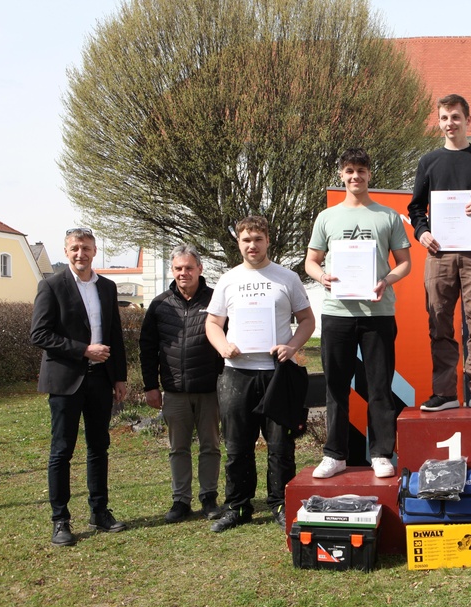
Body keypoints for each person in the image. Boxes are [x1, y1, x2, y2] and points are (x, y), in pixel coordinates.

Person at [305, 148, 412, 480]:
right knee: (335, 386)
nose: (355, 177)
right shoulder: (327, 217)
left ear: (369, 174)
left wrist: (386, 280)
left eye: (361, 171)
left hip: (377, 312)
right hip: (337, 312)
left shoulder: (387, 216)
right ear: (341, 175)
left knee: (379, 386)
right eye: (349, 171)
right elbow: (311, 261)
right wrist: (321, 276)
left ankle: (381, 453)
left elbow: (404, 262)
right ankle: (335, 454)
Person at [205, 216, 316, 532]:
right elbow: (212, 324)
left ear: (268, 240)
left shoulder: (287, 278)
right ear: (238, 243)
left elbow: (307, 320)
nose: (252, 245)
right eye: (246, 240)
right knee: (237, 446)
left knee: (281, 446)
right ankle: (238, 508)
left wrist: (292, 346)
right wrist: (223, 346)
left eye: (258, 239)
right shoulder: (228, 280)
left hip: (277, 374)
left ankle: (282, 504)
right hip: (236, 374)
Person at [407, 93, 471, 413]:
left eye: (455, 117)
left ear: (468, 119)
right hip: (439, 254)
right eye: (444, 118)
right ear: (438, 122)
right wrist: (422, 232)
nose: (450, 123)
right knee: (439, 322)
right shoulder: (429, 162)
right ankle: (445, 392)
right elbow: (415, 207)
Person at [30, 227, 129, 546]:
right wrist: (83, 349)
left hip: (100, 380)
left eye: (86, 248)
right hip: (64, 380)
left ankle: (99, 511)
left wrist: (119, 376)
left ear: (95, 251)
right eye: (74, 248)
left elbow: (114, 334)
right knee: (62, 450)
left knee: (99, 447)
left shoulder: (107, 287)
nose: (80, 253)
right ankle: (60, 520)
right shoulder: (51, 285)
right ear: (66, 250)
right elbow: (40, 335)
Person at [140, 244, 223, 523]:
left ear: (200, 269)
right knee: (178, 448)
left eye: (189, 267)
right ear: (172, 270)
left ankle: (209, 497)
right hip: (174, 391)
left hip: (210, 389)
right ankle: (180, 500)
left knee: (210, 446)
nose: (183, 273)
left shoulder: (216, 301)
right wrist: (151, 386)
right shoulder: (160, 305)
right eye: (178, 268)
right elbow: (147, 347)